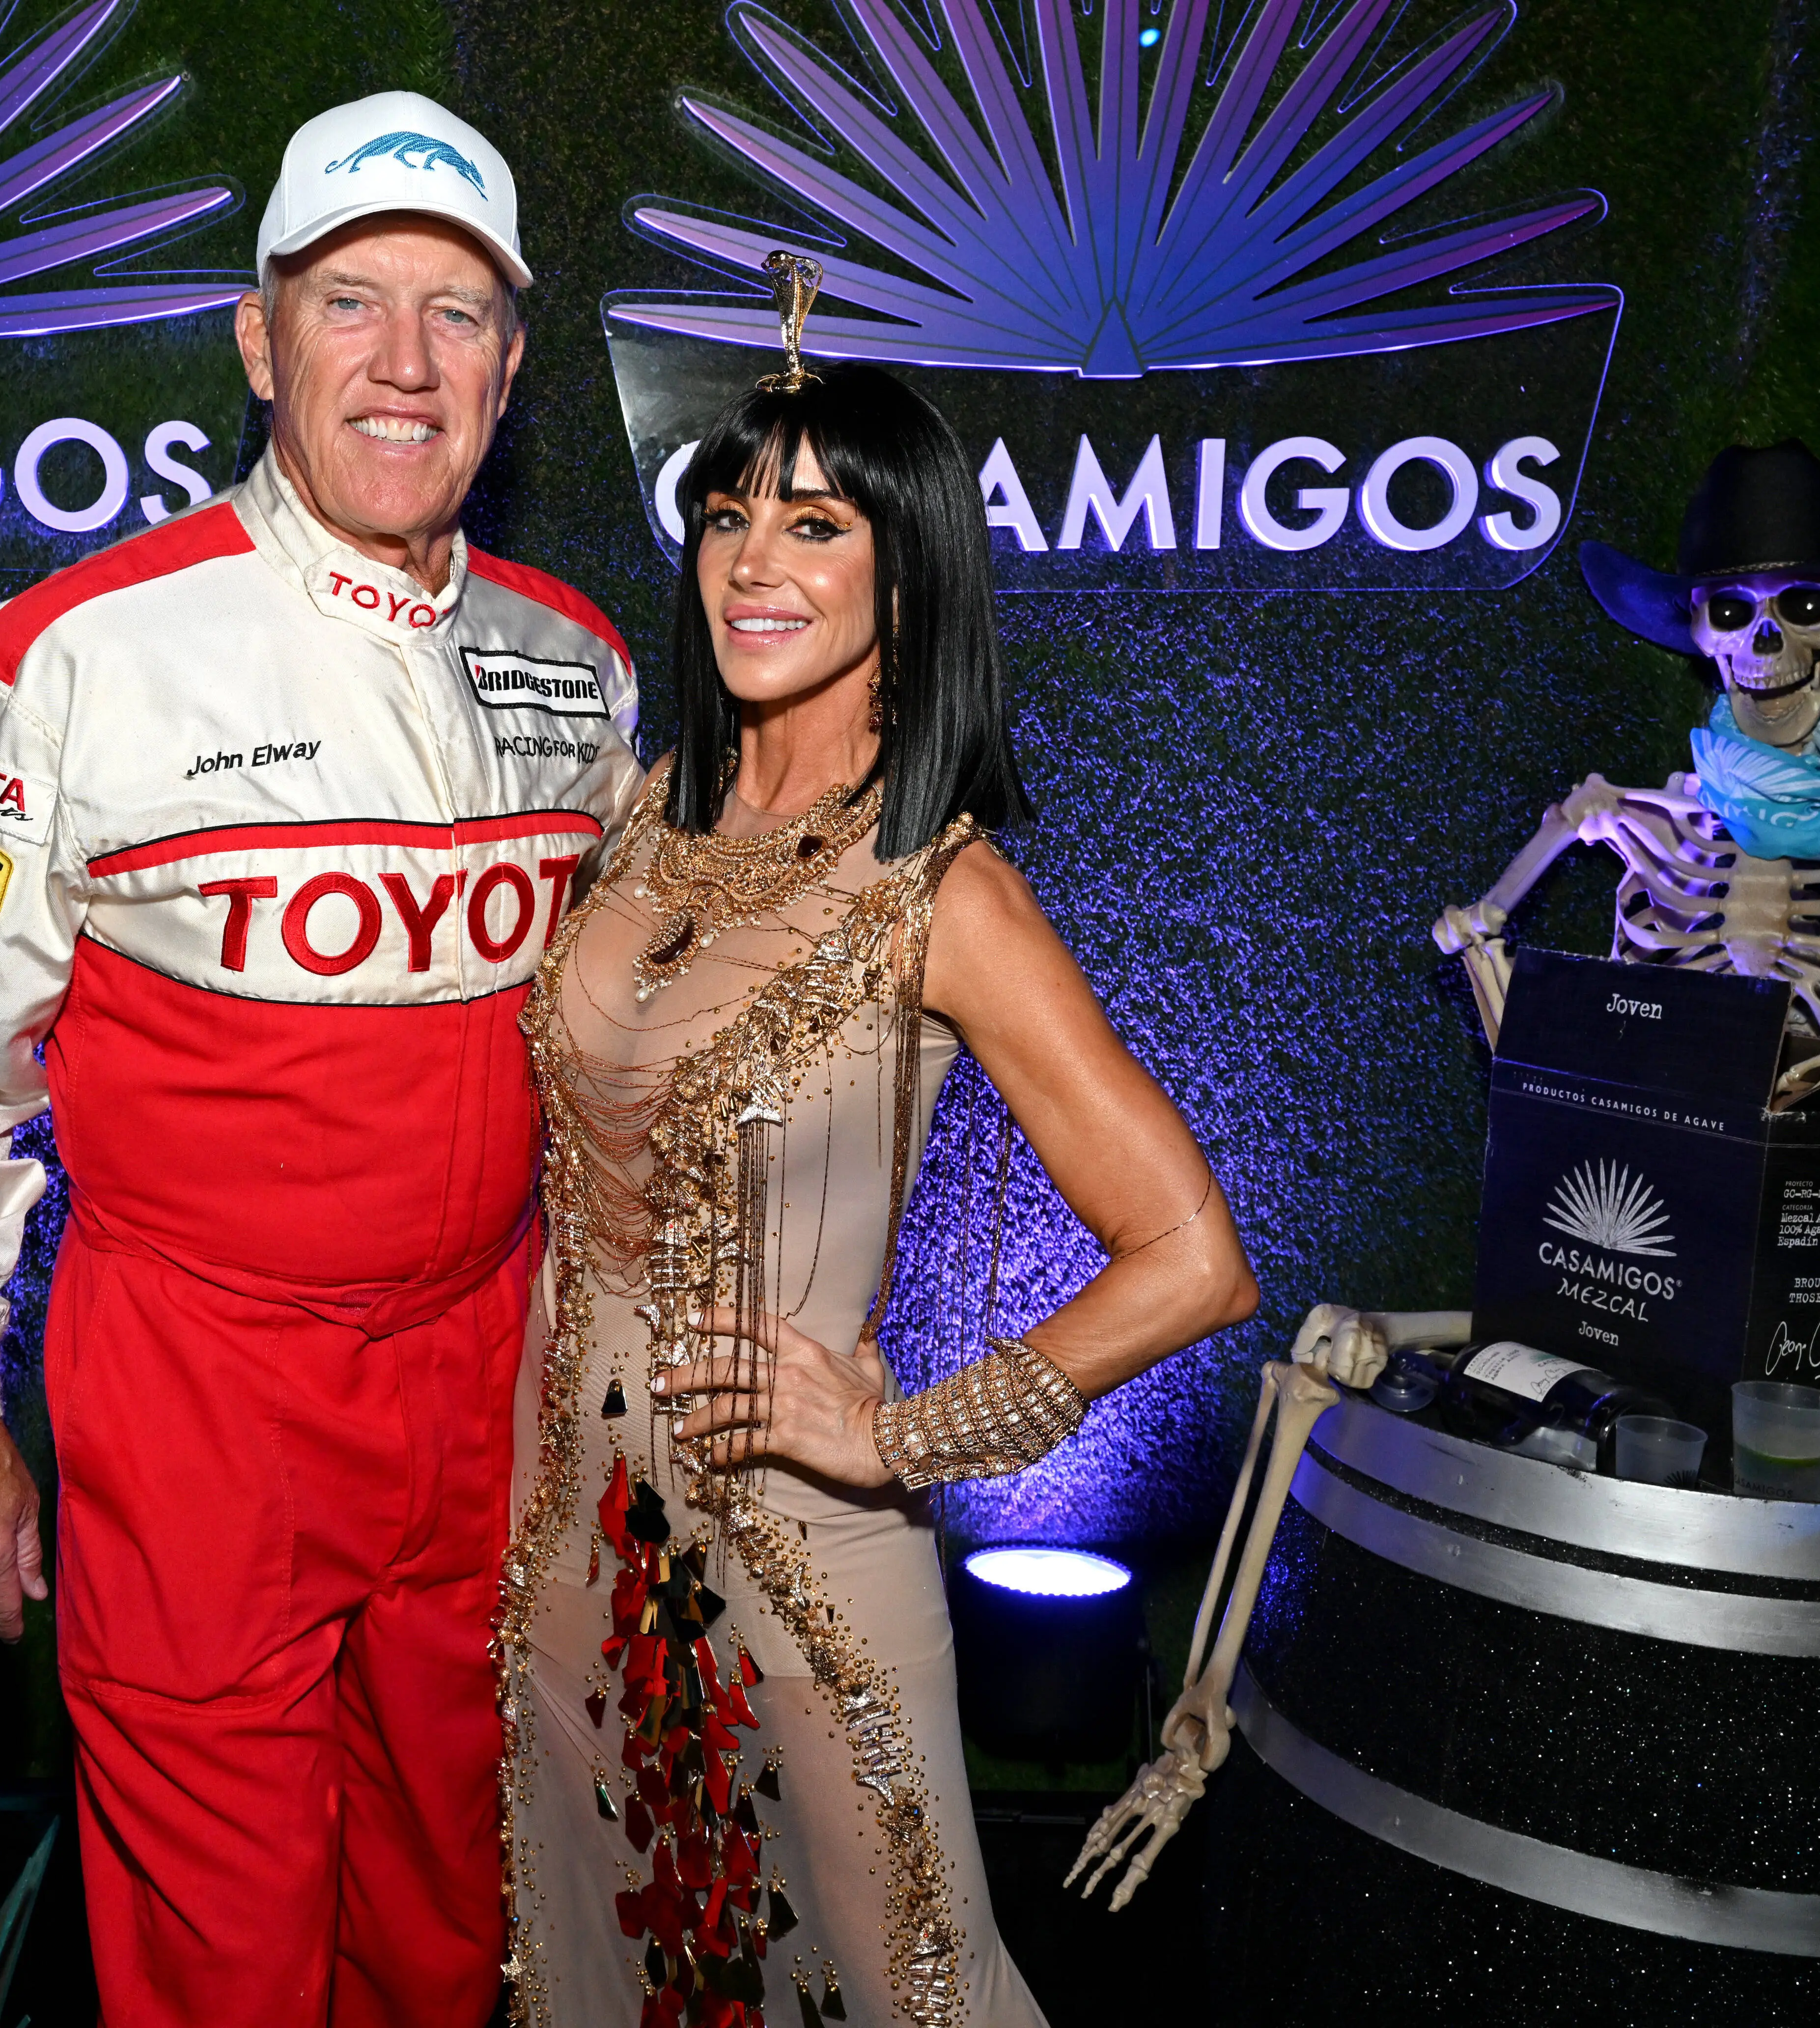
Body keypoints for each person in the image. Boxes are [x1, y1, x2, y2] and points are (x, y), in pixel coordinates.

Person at [0, 91, 642, 2028]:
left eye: (456, 314)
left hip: (487, 1377)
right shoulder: (56, 660)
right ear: (257, 337)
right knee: (221, 1947)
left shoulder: (583, 663)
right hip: (199, 1390)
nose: (402, 362)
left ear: (513, 363)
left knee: (460, 1915)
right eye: (351, 302)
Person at [497, 360, 1258, 2027]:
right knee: (607, 1965)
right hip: (557, 1536)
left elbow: (1195, 1258)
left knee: (900, 1985)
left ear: (906, 572)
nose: (751, 562)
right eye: (726, 515)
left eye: (816, 524)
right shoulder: (635, 825)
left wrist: (904, 1439)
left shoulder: (944, 889)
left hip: (800, 1561)